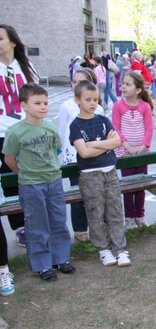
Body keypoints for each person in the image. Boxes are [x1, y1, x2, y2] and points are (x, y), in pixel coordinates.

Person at [3, 83, 75, 282]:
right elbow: (9, 158)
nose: (43, 107)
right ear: (24, 105)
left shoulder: (50, 128)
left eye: (45, 103)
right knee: (37, 226)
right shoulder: (16, 132)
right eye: (37, 103)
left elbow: (55, 150)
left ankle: (61, 258)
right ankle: (43, 265)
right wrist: (23, 173)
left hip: (53, 181)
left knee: (58, 222)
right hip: (31, 185)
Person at [69, 81, 130, 267]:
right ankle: (103, 249)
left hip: (110, 172)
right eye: (88, 99)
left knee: (115, 211)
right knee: (96, 213)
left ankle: (120, 248)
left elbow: (117, 141)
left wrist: (94, 144)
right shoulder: (75, 126)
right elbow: (84, 153)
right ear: (77, 100)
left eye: (95, 99)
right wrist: (106, 145)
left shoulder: (103, 120)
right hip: (90, 176)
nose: (93, 103)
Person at [0, 24, 39, 248]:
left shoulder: (25, 68)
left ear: (12, 42)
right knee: (7, 179)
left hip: (22, 131)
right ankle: (19, 226)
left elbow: (37, 98)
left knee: (23, 176)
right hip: (1, 131)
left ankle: (30, 221)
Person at [58, 68, 105, 242]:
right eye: (74, 81)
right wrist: (62, 153)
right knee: (78, 192)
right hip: (73, 156)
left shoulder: (97, 108)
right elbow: (62, 132)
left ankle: (98, 224)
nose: (76, 84)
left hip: (94, 154)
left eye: (81, 81)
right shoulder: (66, 106)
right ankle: (80, 228)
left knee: (96, 191)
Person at [112, 71, 154, 230]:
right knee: (128, 186)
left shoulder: (144, 107)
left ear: (137, 90)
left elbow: (149, 129)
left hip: (142, 153)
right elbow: (116, 128)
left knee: (140, 185)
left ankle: (139, 215)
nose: (123, 86)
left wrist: (143, 147)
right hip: (125, 153)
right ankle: (129, 217)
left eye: (128, 84)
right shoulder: (118, 106)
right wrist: (128, 147)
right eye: (123, 83)